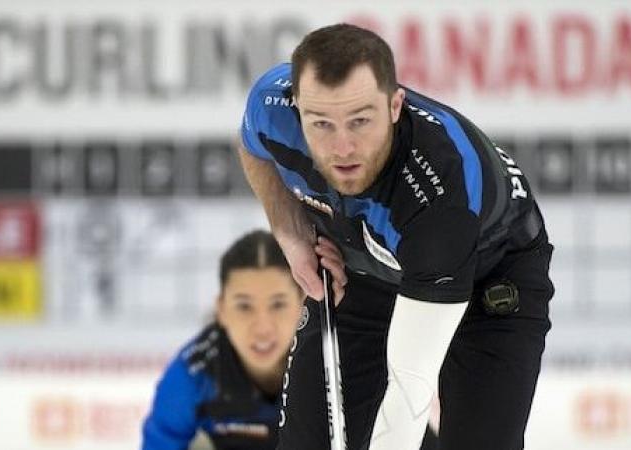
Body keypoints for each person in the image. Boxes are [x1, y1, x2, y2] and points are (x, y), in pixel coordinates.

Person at [237, 23, 555, 450]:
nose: (342, 147)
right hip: (367, 270)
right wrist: (290, 232)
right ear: (297, 108)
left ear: (394, 105)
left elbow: (409, 389)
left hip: (490, 274)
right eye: (321, 124)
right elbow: (254, 147)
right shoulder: (272, 105)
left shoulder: (440, 199)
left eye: (360, 121)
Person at [141, 230, 305, 450]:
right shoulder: (194, 373)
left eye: (278, 305)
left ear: (303, 304)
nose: (263, 328)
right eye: (244, 306)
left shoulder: (332, 360)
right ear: (221, 310)